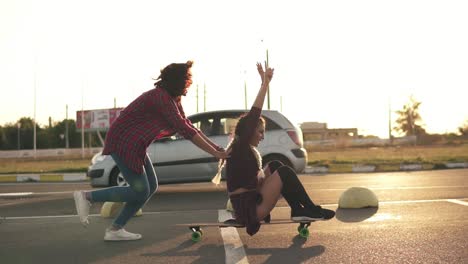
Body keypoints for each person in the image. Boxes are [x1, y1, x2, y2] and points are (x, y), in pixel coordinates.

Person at [73, 61, 229, 241]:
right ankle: (88, 197)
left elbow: (188, 125)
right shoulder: (160, 97)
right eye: (188, 79)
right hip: (124, 142)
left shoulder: (172, 99)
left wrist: (217, 149)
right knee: (139, 190)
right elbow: (185, 130)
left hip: (136, 143)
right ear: (178, 81)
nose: (190, 83)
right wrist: (216, 153)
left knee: (150, 187)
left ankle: (115, 229)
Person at [213, 62, 335, 236]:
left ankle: (299, 210)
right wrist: (265, 84)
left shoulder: (241, 147)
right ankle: (309, 209)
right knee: (284, 172)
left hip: (249, 202)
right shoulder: (240, 147)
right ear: (249, 131)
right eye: (260, 132)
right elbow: (255, 112)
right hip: (250, 209)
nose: (262, 136)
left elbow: (254, 180)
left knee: (277, 165)